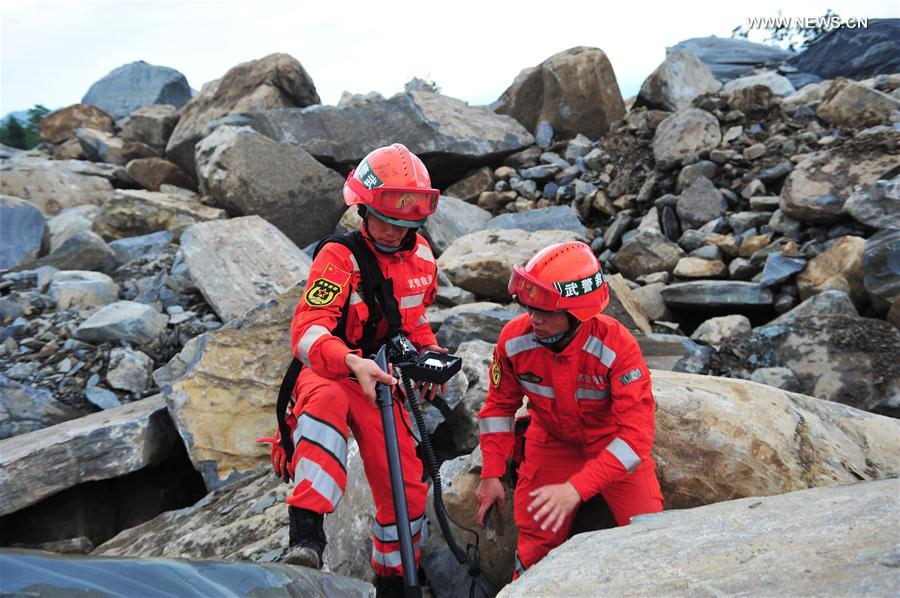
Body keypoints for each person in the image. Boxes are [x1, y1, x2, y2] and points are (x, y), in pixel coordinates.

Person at [271, 143, 445, 596]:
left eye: (404, 223)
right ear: (362, 209)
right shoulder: (338, 257)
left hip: (382, 378)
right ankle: (306, 538)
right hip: (333, 370)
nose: (392, 231)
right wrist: (350, 361)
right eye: (384, 219)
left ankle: (394, 582)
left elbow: (412, 319)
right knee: (324, 403)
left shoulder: (423, 257)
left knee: (406, 486)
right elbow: (307, 331)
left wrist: (429, 357)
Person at [474, 241, 663, 578]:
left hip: (612, 447)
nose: (534, 320)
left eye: (545, 311)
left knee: (650, 535)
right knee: (534, 546)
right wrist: (491, 473)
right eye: (530, 308)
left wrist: (575, 489)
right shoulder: (513, 340)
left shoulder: (618, 348)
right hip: (552, 443)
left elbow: (635, 441)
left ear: (578, 314)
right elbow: (499, 408)